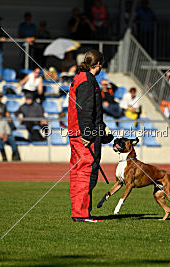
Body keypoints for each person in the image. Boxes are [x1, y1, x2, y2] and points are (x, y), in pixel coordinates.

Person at [68, 50, 113, 222]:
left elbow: (91, 112)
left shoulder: (79, 77)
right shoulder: (88, 81)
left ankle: (80, 212)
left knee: (78, 172)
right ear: (99, 64)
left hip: (77, 132)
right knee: (86, 173)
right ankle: (81, 214)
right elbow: (86, 110)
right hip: (84, 134)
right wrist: (88, 133)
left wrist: (102, 131)